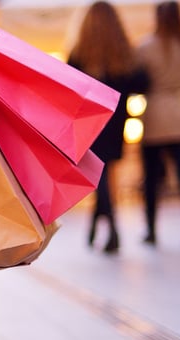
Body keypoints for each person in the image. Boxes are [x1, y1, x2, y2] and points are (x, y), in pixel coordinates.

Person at [67, 1, 150, 254]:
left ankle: (110, 226)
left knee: (98, 174)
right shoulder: (123, 54)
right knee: (104, 173)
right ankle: (100, 225)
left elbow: (69, 85)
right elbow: (141, 83)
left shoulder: (78, 53)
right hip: (115, 122)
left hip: (88, 122)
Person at [136, 1, 180, 249]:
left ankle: (151, 229)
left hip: (156, 116)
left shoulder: (145, 47)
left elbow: (140, 80)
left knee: (152, 179)